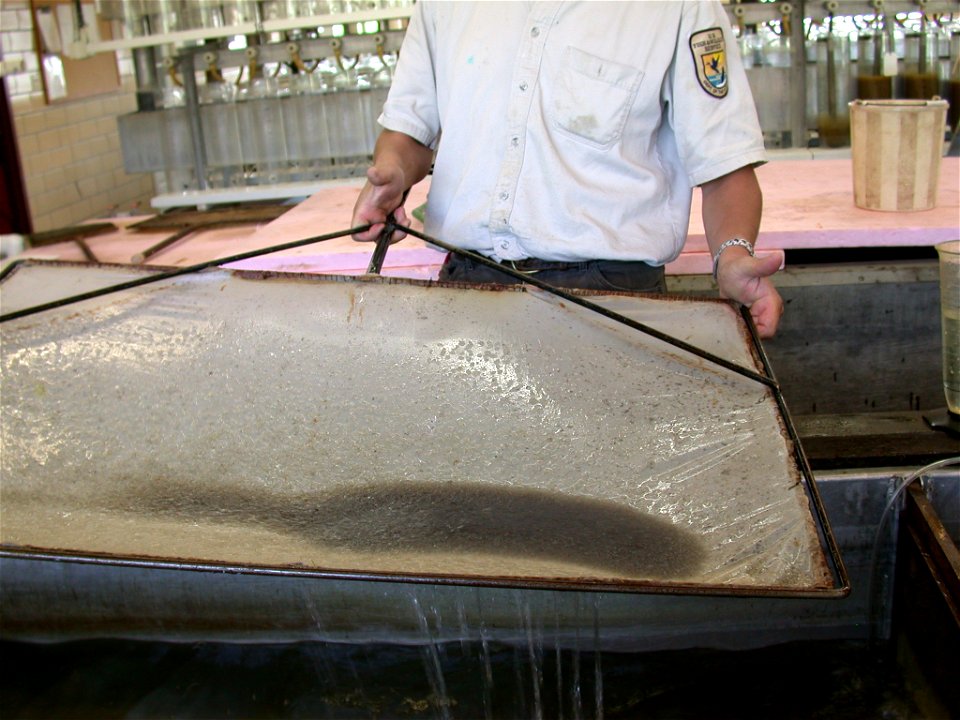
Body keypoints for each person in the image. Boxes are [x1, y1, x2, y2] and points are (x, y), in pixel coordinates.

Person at [351, 0, 785, 338]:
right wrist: (393, 172)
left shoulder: (676, 8)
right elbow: (408, 130)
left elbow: (726, 165)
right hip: (469, 286)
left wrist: (732, 254)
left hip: (612, 300)